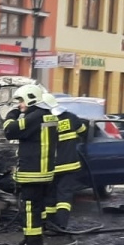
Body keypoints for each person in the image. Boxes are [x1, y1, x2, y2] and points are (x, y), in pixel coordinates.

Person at [2, 84, 58, 245]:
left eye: (21, 101)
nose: (20, 105)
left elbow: (10, 131)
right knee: (38, 209)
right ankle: (35, 240)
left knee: (30, 208)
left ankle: (32, 244)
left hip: (32, 172)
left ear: (31, 98)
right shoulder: (48, 116)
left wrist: (12, 114)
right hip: (44, 171)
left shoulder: (35, 117)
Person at [42, 93, 88, 229]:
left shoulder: (45, 121)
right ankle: (61, 225)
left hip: (51, 166)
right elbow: (84, 132)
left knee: (49, 196)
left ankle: (48, 224)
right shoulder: (71, 117)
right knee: (64, 196)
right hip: (69, 165)